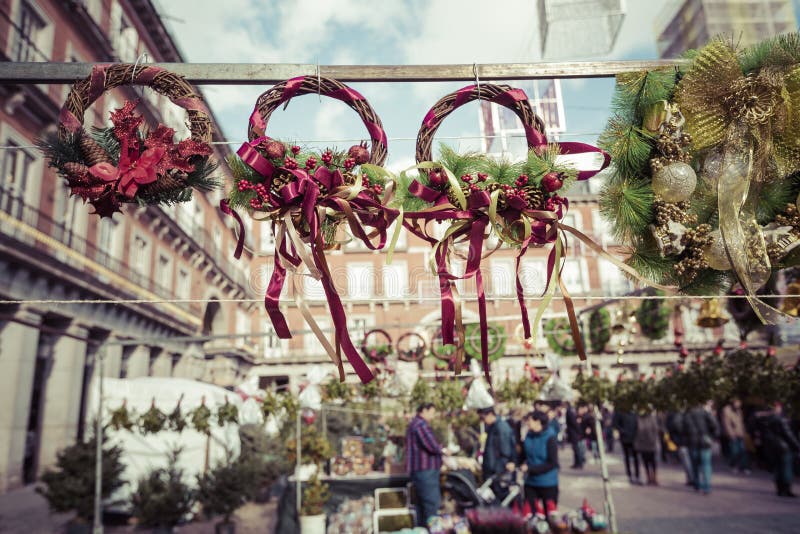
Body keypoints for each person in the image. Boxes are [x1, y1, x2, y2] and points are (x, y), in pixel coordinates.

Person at [406, 403, 446, 525]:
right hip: (425, 471)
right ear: (424, 410)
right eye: (432, 413)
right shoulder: (420, 425)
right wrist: (443, 450)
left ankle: (423, 529)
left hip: (419, 471)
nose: (433, 416)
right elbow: (431, 445)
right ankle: (433, 530)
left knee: (422, 505)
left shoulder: (414, 424)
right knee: (431, 504)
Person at [521, 411, 560, 517]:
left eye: (529, 420)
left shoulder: (550, 437)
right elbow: (524, 455)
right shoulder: (528, 435)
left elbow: (552, 463)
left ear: (538, 422)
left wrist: (530, 468)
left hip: (548, 483)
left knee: (550, 517)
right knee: (531, 516)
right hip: (530, 483)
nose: (527, 423)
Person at [477, 406, 517, 501]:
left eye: (483, 418)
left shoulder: (501, 427)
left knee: (500, 497)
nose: (482, 421)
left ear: (490, 415)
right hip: (492, 469)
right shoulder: (492, 427)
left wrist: (498, 469)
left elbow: (505, 451)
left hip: (498, 471)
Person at [761, 403, 800, 497]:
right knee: (786, 469)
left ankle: (779, 489)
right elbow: (788, 435)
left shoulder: (768, 419)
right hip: (784, 447)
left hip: (773, 447)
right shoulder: (781, 419)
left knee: (778, 468)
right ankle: (787, 490)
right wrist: (797, 446)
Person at [682, 402, 719, 494]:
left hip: (692, 443)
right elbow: (714, 425)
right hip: (705, 442)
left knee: (695, 465)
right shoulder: (704, 413)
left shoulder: (687, 415)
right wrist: (711, 437)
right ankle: (707, 486)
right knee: (706, 465)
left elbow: (683, 430)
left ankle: (697, 484)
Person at [721, 398, 750, 474]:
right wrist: (731, 434)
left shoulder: (739, 410)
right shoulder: (726, 410)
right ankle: (734, 466)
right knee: (735, 450)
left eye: (739, 403)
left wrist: (744, 432)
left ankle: (743, 467)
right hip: (733, 434)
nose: (738, 405)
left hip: (740, 433)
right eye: (737, 403)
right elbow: (726, 423)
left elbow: (741, 422)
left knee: (743, 450)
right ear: (733, 403)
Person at [666, 410, 694, 486]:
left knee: (687, 461)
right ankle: (692, 478)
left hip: (682, 442)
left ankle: (691, 478)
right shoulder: (686, 415)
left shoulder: (675, 416)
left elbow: (673, 428)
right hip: (686, 441)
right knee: (688, 460)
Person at [613, 408, 640, 484]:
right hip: (625, 439)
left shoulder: (634, 411)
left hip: (634, 438)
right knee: (627, 457)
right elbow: (615, 424)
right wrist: (623, 431)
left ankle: (637, 475)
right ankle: (629, 475)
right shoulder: (619, 411)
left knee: (636, 457)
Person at [634, 411, 660, 485]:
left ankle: (654, 477)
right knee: (646, 461)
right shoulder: (638, 419)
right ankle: (649, 477)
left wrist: (654, 440)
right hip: (643, 445)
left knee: (653, 461)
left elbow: (655, 430)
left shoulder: (652, 418)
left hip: (652, 444)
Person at [566, 403, 585, 469]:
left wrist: (579, 432)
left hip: (574, 434)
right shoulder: (571, 411)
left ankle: (579, 463)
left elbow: (574, 423)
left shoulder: (570, 411)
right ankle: (577, 463)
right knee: (576, 449)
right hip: (574, 433)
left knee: (577, 449)